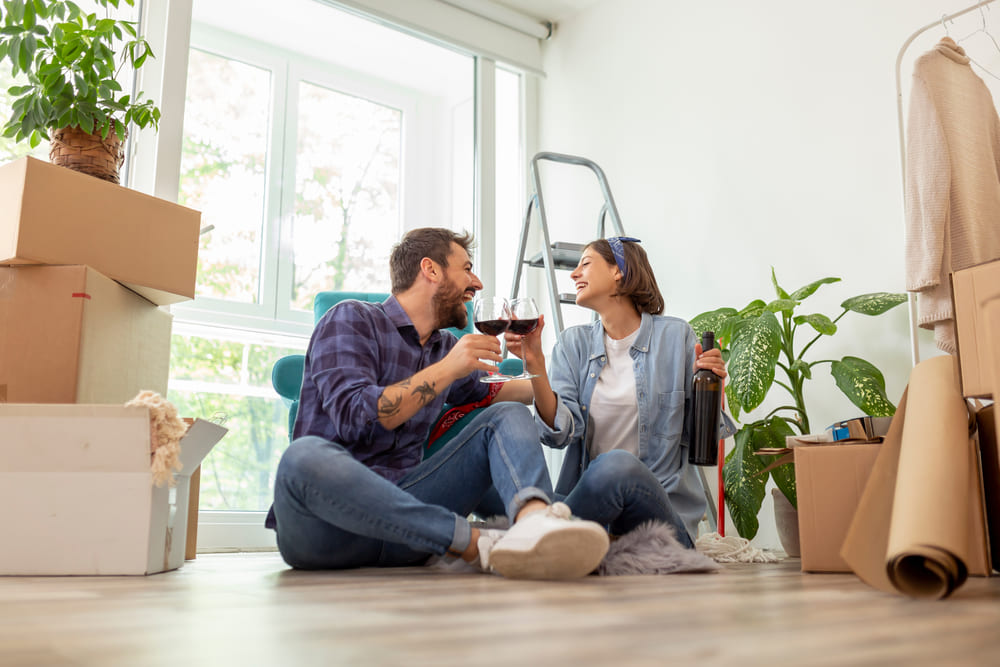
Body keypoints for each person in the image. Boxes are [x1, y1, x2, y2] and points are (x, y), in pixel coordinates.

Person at [265, 227, 610, 579]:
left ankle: (536, 524)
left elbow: (513, 394)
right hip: (327, 530)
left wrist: (540, 363)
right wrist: (448, 369)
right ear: (430, 269)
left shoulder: (444, 346)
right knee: (302, 457)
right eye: (466, 268)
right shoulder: (351, 319)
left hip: (410, 529)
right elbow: (356, 417)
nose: (476, 283)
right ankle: (477, 543)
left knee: (505, 414)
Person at [504, 236, 730, 548]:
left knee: (617, 464)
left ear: (618, 271)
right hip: (594, 511)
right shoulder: (574, 345)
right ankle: (552, 536)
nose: (573, 274)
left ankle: (544, 537)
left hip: (660, 519)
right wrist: (536, 365)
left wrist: (713, 383)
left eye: (585, 264)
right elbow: (559, 435)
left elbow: (698, 436)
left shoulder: (676, 337)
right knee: (506, 488)